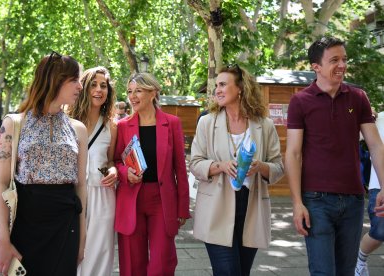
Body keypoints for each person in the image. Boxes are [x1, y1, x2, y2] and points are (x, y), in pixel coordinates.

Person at [285, 36, 384, 275]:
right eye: (334, 60)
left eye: (344, 59)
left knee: (346, 271)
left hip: (353, 199)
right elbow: (294, 153)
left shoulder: (358, 97)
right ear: (315, 66)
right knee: (323, 271)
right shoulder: (300, 101)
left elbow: (376, 145)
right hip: (316, 200)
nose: (342, 65)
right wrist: (297, 203)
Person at [0, 51, 87, 276]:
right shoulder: (14, 123)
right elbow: (1, 184)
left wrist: (82, 240)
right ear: (55, 80)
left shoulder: (78, 129)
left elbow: (81, 187)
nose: (80, 87)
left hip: (66, 224)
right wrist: (2, 240)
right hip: (25, 224)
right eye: (74, 80)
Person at [189, 64, 284, 275]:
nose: (217, 90)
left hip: (251, 209)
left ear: (240, 88)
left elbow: (278, 167)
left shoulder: (265, 125)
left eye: (223, 84)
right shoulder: (206, 122)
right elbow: (195, 163)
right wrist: (220, 166)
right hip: (216, 208)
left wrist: (260, 166)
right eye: (216, 86)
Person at [114, 72, 190, 276]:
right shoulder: (122, 126)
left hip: (162, 200)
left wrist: (183, 207)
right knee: (132, 264)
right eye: (130, 91)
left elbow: (180, 168)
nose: (132, 96)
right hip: (131, 199)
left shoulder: (172, 123)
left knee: (161, 264)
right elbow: (115, 161)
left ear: (153, 92)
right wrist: (124, 172)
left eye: (138, 91)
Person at [68, 66, 117, 276]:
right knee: (72, 251)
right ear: (84, 88)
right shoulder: (66, 121)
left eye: (103, 86)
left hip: (102, 196)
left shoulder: (111, 126)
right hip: (71, 195)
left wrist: (114, 170)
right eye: (94, 85)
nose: (99, 90)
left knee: (99, 252)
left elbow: (112, 159)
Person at [355, 110, 384, 276]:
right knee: (380, 231)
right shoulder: (378, 119)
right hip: (378, 184)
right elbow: (352, 136)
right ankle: (360, 259)